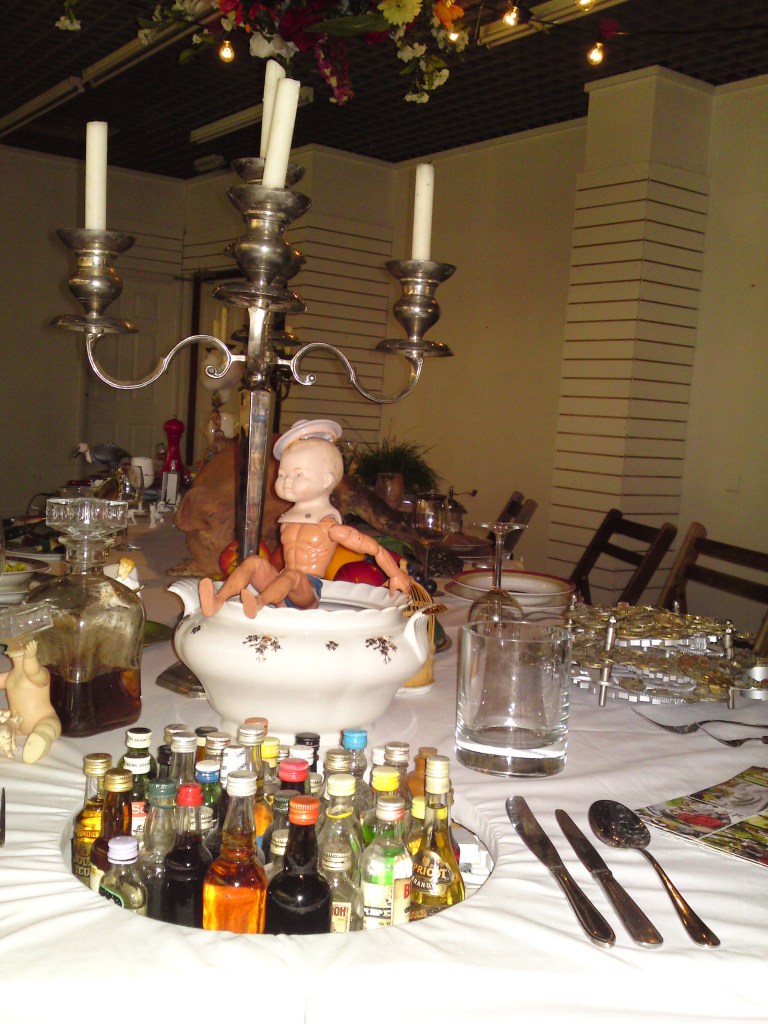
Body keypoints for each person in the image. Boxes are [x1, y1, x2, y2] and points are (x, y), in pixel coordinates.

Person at [199, 420, 411, 618]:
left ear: (326, 480)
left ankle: (258, 603)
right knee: (254, 562)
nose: (286, 481)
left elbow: (373, 548)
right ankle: (217, 600)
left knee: (293, 576)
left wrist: (395, 574)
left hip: (307, 591)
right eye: (282, 475)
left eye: (298, 475)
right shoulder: (288, 519)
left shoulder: (327, 523)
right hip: (281, 584)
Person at [0, 640, 62, 764]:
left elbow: (34, 673)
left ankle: (39, 740)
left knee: (49, 727)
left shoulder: (42, 673)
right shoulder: (10, 676)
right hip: (16, 724)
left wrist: (30, 659)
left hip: (43, 719)